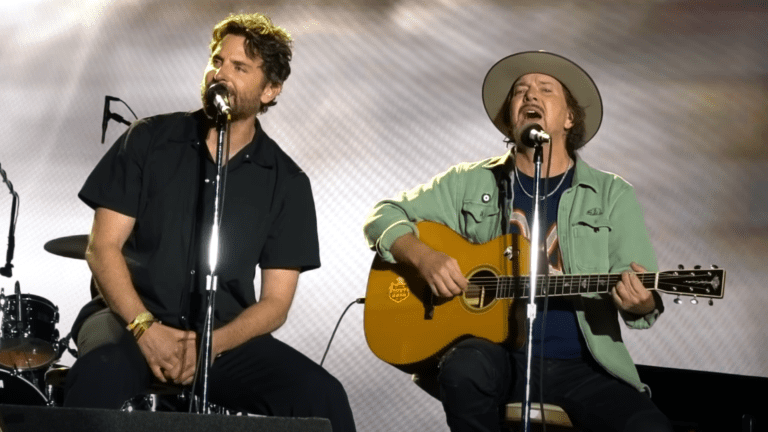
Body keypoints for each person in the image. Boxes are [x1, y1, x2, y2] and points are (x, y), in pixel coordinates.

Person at [64, 13, 356, 431]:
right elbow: (102, 247)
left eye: (240, 68)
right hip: (127, 319)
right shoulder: (148, 140)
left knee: (321, 394)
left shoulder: (287, 182)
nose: (220, 73)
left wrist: (208, 345)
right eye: (217, 60)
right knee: (100, 371)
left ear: (270, 90)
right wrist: (147, 329)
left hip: (220, 339)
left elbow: (276, 303)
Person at [363, 51, 673, 432]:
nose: (530, 96)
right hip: (495, 357)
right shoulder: (470, 181)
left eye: (546, 89)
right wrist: (423, 257)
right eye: (520, 92)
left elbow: (641, 293)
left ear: (569, 118)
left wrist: (641, 303)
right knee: (464, 368)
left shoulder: (611, 194)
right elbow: (382, 215)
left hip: (582, 366)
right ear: (509, 118)